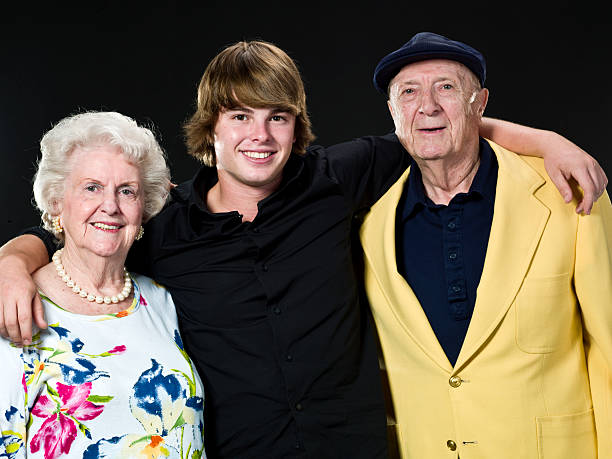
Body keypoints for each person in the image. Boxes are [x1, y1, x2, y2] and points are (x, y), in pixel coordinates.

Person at [0, 41, 607, 458]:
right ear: (212, 126)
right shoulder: (165, 227)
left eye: (277, 118)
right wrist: (12, 262)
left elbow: (438, 130)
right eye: (239, 116)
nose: (259, 136)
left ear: (297, 127)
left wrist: (546, 141)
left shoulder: (337, 178)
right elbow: (75, 237)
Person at [360, 32, 612, 458]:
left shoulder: (567, 193)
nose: (428, 106)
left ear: (480, 103)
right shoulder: (367, 222)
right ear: (392, 111)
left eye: (446, 87)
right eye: (409, 92)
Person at [0, 112, 205, 458]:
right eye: (91, 188)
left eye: (127, 191)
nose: (109, 206)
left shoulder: (160, 300)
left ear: (143, 209)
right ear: (56, 202)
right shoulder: (16, 303)